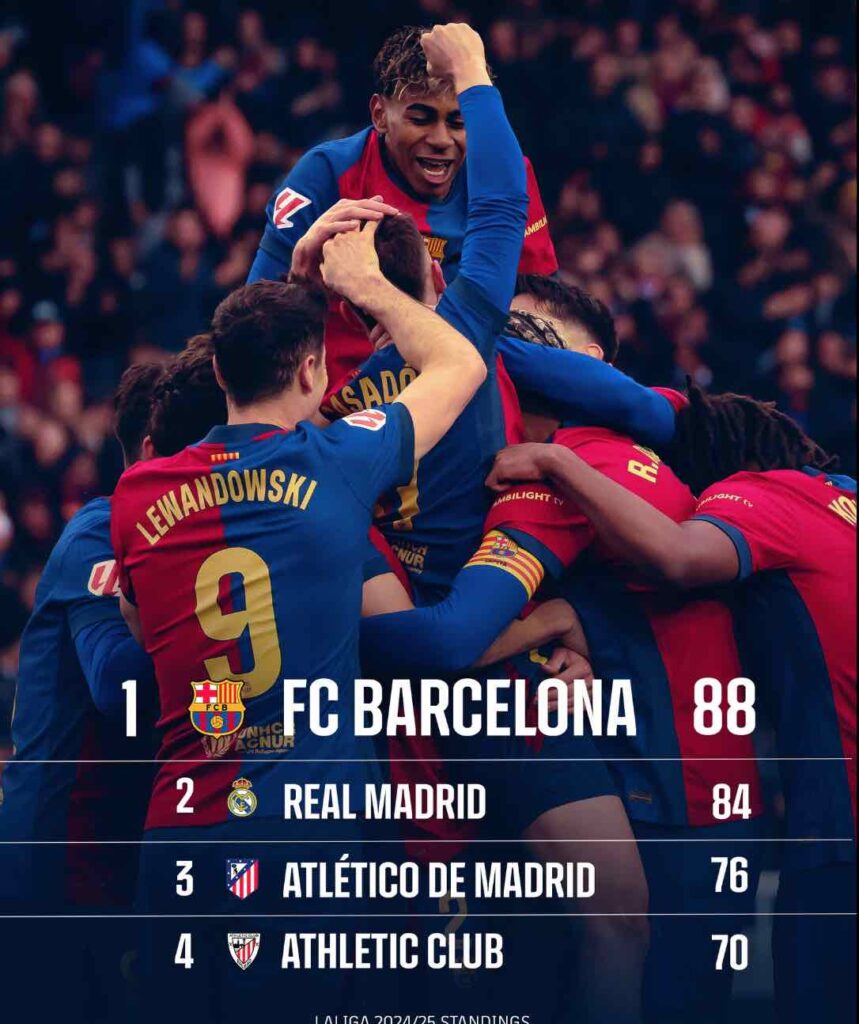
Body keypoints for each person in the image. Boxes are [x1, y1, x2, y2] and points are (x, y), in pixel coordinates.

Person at [363, 312, 765, 1024]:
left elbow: (450, 641)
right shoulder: (648, 447)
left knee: (605, 943)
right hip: (711, 781)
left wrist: (431, 322)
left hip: (665, 786)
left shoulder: (554, 472)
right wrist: (563, 621)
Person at [488, 385, 856, 1024]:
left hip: (836, 834)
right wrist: (578, 630)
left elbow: (677, 557)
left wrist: (557, 462)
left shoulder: (758, 493)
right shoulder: (840, 498)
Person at [247, 23, 557, 382]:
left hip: (461, 385)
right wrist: (300, 282)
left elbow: (541, 316)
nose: (441, 139)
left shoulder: (504, 173)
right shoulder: (325, 175)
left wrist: (436, 327)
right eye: (420, 119)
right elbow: (253, 319)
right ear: (380, 115)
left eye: (458, 123)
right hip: (339, 399)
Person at [0, 363, 159, 1022]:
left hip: (119, 862)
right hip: (59, 869)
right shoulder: (101, 530)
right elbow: (119, 686)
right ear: (153, 450)